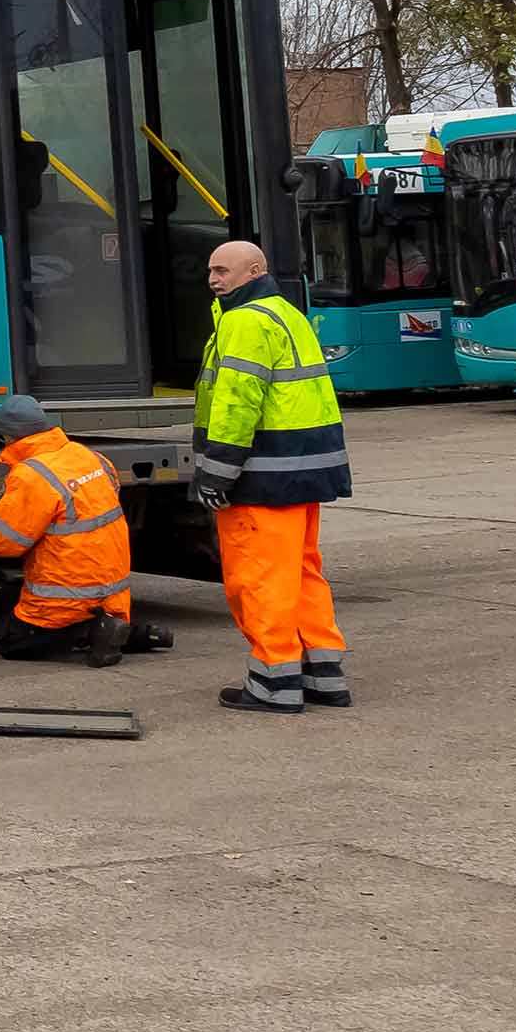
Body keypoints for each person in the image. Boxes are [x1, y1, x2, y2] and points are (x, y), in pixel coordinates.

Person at [193, 238, 354, 715]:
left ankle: (274, 680)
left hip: (263, 474)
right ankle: (323, 674)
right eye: (210, 270)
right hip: (303, 468)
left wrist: (217, 473)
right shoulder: (285, 313)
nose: (213, 279)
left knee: (260, 576)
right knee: (302, 573)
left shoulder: (244, 321)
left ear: (254, 270)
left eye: (223, 270)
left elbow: (237, 403)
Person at [0, 397, 172, 665]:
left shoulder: (30, 476)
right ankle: (138, 633)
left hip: (64, 597)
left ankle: (93, 633)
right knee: (93, 611)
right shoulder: (88, 455)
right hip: (111, 593)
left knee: (10, 642)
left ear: (7, 435)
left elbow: (1, 542)